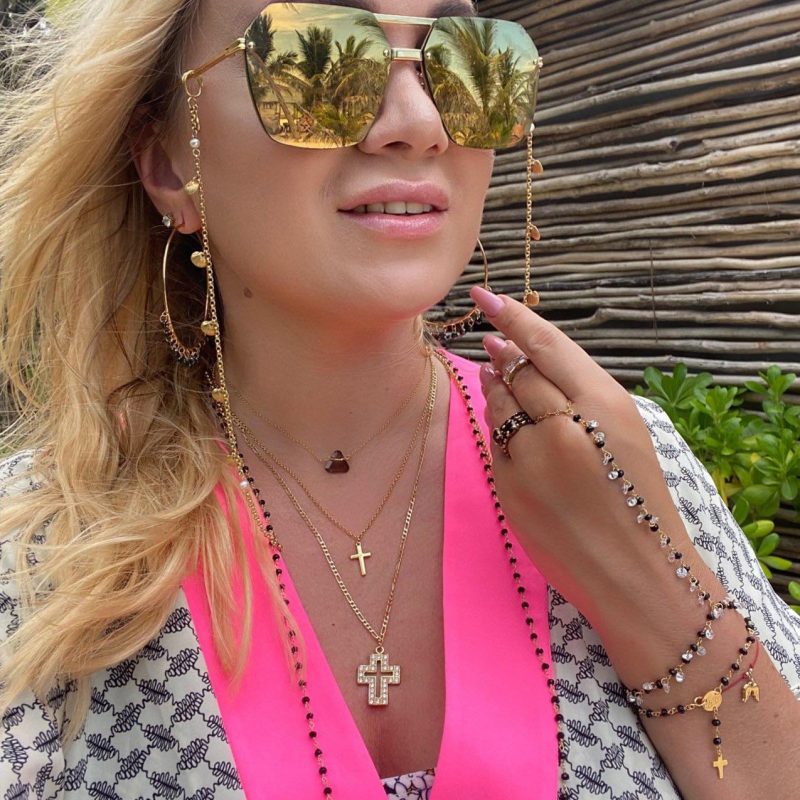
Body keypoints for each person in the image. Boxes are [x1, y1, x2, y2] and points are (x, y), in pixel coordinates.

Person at [1, 1, 798, 798]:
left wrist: (650, 587)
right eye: (316, 57)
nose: (421, 123)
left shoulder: (615, 456)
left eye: (466, 60)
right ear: (167, 166)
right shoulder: (40, 551)